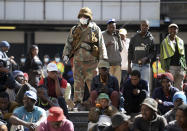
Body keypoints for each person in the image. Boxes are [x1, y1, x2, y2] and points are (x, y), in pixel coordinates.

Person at [62, 7, 108, 106]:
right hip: (77, 61)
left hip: (91, 62)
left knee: (92, 84)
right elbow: (68, 43)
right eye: (81, 16)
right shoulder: (74, 29)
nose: (83, 18)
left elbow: (101, 43)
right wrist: (66, 54)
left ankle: (95, 102)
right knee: (78, 84)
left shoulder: (95, 28)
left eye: (85, 16)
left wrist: (103, 58)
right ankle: (78, 102)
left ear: (89, 17)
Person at [128, 20, 155, 92]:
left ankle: (146, 101)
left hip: (146, 65)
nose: (144, 27)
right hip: (135, 64)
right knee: (134, 84)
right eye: (143, 25)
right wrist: (128, 65)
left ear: (148, 27)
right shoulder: (134, 37)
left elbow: (153, 53)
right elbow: (130, 51)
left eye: (146, 25)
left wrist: (146, 58)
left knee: (145, 84)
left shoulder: (151, 38)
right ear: (140, 26)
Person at [160, 23, 186, 90]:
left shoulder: (181, 41)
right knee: (169, 87)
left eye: (175, 28)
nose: (173, 30)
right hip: (170, 67)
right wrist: (165, 69)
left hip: (180, 68)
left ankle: (179, 100)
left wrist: (184, 68)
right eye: (171, 28)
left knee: (179, 88)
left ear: (177, 30)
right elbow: (162, 56)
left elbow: (183, 56)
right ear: (168, 30)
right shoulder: (164, 42)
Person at [102, 19, 123, 86]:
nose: (112, 29)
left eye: (113, 27)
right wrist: (106, 45)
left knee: (117, 84)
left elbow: (121, 49)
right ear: (107, 27)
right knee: (108, 84)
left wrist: (119, 37)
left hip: (117, 64)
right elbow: (99, 48)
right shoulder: (102, 34)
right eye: (110, 27)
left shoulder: (116, 35)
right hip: (107, 65)